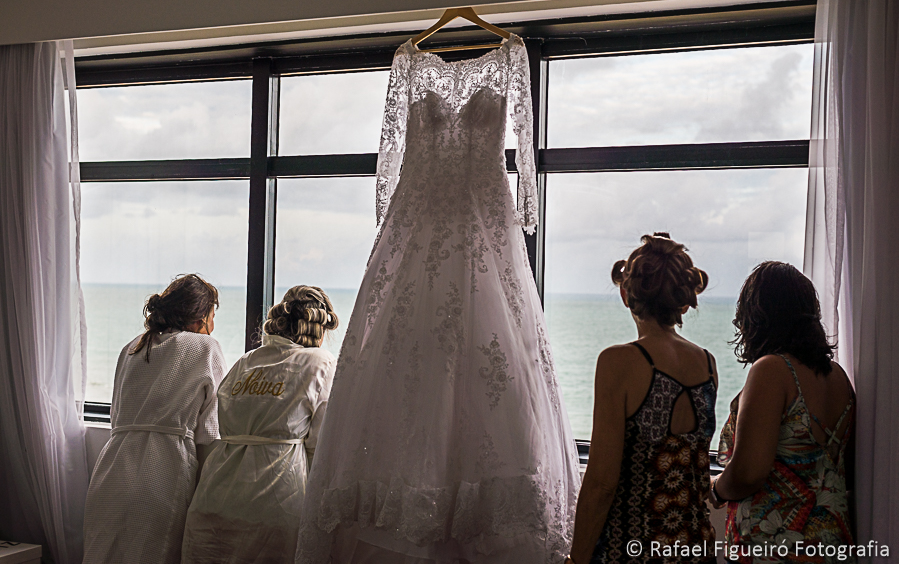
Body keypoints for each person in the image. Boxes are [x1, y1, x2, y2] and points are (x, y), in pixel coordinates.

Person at [297, 34, 580, 564]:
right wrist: (393, 215)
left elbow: (524, 147)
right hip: (420, 218)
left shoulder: (512, 56)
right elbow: (389, 161)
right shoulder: (405, 61)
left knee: (484, 362)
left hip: (482, 227)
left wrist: (522, 206)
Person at [566, 233, 717, 564]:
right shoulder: (707, 364)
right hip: (695, 546)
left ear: (625, 293)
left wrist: (575, 560)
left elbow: (602, 483)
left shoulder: (618, 362)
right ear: (683, 299)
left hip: (633, 547)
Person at [181, 286, 339, 564]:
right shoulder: (320, 363)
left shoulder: (246, 360)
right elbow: (320, 445)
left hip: (214, 494)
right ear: (319, 327)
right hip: (277, 496)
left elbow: (222, 419)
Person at [710, 261, 855, 563]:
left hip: (777, 547)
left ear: (757, 317)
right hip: (832, 542)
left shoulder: (772, 370)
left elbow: (749, 472)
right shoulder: (839, 377)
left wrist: (715, 490)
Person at [83, 274, 226, 564]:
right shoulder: (205, 348)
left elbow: (116, 415)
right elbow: (211, 431)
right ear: (201, 318)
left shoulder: (133, 346)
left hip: (111, 469)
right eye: (212, 315)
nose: (213, 325)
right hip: (164, 470)